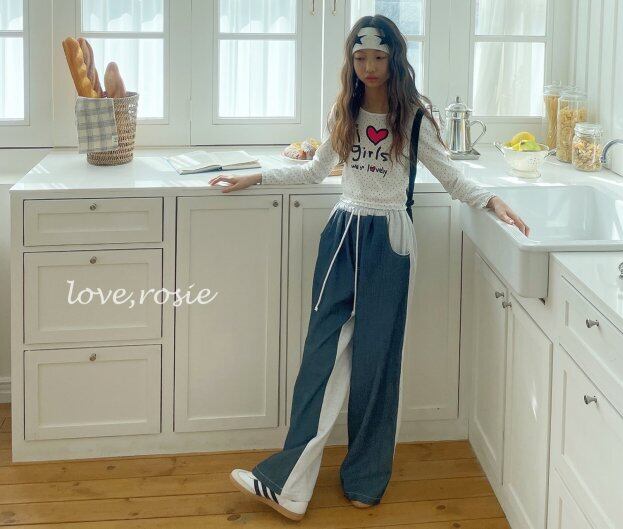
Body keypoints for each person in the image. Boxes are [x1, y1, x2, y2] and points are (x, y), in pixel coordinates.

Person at [209, 14, 529, 522]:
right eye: (361, 57)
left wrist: (492, 200)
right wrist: (257, 176)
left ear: (395, 58)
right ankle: (288, 485)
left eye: (379, 56)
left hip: (391, 241)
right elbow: (315, 172)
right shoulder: (344, 110)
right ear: (351, 61)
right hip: (342, 234)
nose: (370, 66)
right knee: (320, 355)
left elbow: (450, 175)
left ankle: (366, 478)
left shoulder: (414, 118)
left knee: (378, 362)